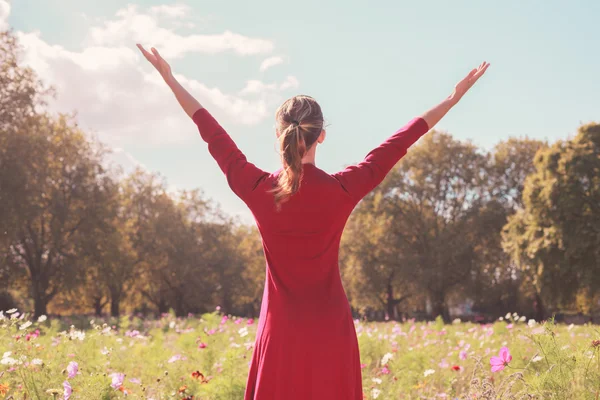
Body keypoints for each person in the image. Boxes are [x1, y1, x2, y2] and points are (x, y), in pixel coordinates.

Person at [137, 43, 489, 400]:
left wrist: (171, 80)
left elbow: (212, 133)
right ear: (321, 134)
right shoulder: (342, 189)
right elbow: (399, 142)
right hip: (330, 330)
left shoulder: (260, 189)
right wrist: (452, 98)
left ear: (280, 135)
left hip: (280, 333)